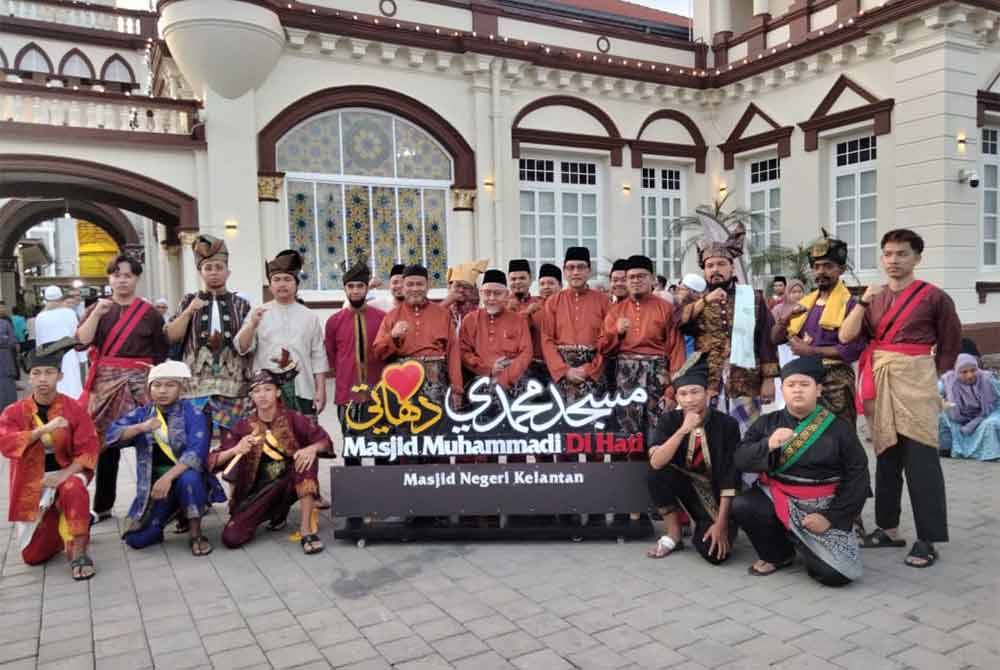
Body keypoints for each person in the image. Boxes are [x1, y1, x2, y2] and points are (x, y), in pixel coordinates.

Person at [839, 228, 961, 568]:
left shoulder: (934, 297)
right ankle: (888, 528)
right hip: (879, 378)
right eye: (888, 254)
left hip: (916, 379)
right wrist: (862, 300)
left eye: (902, 254)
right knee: (886, 454)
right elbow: (847, 336)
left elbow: (951, 343)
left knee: (921, 459)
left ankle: (928, 538)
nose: (894, 261)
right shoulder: (872, 297)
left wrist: (936, 379)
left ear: (917, 258)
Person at [732, 357, 870, 586]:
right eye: (791, 385)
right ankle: (778, 554)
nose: (797, 390)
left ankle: (807, 546)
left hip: (824, 506)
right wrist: (767, 445)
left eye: (804, 385)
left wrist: (831, 518)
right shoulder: (767, 423)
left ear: (818, 390)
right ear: (782, 390)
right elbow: (740, 459)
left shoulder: (839, 428)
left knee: (835, 576)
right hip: (780, 498)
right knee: (744, 504)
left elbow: (858, 476)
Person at [76, 254, 169, 523]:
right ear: (110, 279)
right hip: (105, 385)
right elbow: (81, 342)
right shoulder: (98, 309)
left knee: (151, 440)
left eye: (127, 275)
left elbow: (160, 353)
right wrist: (96, 314)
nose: (122, 280)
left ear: (136, 278)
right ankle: (103, 505)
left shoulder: (150, 313)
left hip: (141, 385)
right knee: (105, 444)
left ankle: (155, 501)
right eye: (117, 275)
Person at [0, 338, 98, 580]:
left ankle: (79, 549)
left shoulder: (74, 409)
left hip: (66, 473)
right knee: (33, 557)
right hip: (32, 484)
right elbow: (6, 443)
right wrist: (43, 430)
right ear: (29, 378)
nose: (43, 379)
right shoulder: (13, 412)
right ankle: (73, 517)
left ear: (60, 376)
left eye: (49, 372)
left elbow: (89, 449)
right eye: (36, 373)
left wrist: (63, 475)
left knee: (73, 487)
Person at [210, 360, 332, 554]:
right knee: (231, 538)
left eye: (267, 389)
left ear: (277, 393)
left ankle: (306, 531)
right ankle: (276, 513)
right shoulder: (243, 426)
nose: (262, 395)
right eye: (257, 391)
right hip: (259, 490)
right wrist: (235, 450)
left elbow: (324, 440)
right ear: (251, 396)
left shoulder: (293, 418)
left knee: (306, 460)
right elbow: (213, 459)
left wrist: (312, 449)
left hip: (291, 480)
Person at [104, 361, 225, 555]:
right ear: (149, 388)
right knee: (137, 540)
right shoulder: (143, 414)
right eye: (157, 385)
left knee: (190, 478)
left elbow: (196, 454)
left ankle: (196, 532)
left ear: (181, 388)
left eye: (170, 385)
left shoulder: (193, 413)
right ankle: (170, 515)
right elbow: (111, 436)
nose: (162, 391)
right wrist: (139, 428)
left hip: (183, 480)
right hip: (155, 488)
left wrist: (167, 478)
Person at [679, 224, 778, 435]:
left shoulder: (752, 297)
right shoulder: (695, 300)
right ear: (704, 270)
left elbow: (766, 339)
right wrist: (705, 301)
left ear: (732, 267)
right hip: (708, 380)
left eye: (721, 264)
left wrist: (769, 379)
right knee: (710, 437)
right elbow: (678, 323)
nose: (715, 269)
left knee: (747, 434)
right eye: (710, 265)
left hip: (745, 379)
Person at [646, 355, 739, 563]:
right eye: (683, 394)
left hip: (715, 497)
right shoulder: (669, 420)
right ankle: (674, 534)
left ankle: (711, 525)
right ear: (677, 397)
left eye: (695, 392)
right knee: (656, 471)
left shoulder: (727, 425)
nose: (689, 399)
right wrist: (683, 430)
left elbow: (730, 475)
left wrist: (721, 523)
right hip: (685, 487)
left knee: (714, 555)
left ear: (707, 393)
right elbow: (656, 463)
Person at [165, 235, 254, 440]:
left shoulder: (241, 304)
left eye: (218, 267)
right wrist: (188, 312)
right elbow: (171, 336)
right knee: (197, 443)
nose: (213, 272)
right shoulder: (188, 300)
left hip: (234, 388)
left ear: (227, 271)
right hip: (194, 388)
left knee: (233, 443)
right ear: (200, 272)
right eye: (208, 268)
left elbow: (249, 345)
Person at [772, 235, 864, 424]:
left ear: (841, 269)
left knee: (839, 436)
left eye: (828, 266)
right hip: (805, 379)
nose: (821, 271)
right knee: (806, 439)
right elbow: (775, 338)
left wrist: (811, 351)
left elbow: (852, 350)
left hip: (836, 381)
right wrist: (786, 318)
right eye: (817, 266)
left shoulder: (851, 306)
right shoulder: (805, 304)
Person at [602, 255, 686, 444]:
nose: (636, 281)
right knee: (627, 433)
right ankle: (629, 473)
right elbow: (603, 347)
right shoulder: (616, 310)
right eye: (631, 277)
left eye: (641, 276)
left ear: (652, 279)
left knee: (659, 431)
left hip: (658, 375)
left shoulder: (666, 308)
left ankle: (657, 472)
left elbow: (676, 349)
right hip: (626, 376)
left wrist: (673, 389)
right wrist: (616, 332)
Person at [236, 250, 328, 418]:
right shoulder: (258, 313)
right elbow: (242, 347)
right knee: (269, 441)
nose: (282, 284)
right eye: (276, 280)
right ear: (270, 286)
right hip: (267, 392)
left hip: (302, 389)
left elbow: (318, 356)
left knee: (303, 438)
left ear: (296, 284)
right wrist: (252, 325)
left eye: (287, 279)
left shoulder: (309, 317)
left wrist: (321, 390)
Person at [373, 264, 463, 410]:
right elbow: (378, 352)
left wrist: (457, 388)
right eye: (410, 284)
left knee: (437, 428)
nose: (415, 288)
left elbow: (453, 352)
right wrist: (392, 336)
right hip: (403, 384)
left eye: (420, 284)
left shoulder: (442, 314)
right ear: (403, 287)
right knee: (405, 428)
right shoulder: (391, 316)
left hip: (436, 384)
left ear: (428, 286)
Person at [541, 246, 610, 404]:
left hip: (593, 371)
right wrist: (564, 370)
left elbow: (607, 341)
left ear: (589, 270)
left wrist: (590, 369)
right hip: (562, 370)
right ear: (564, 271)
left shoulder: (603, 301)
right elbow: (547, 340)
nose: (575, 272)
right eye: (571, 268)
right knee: (562, 423)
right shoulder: (553, 302)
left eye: (581, 267)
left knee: (594, 423)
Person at [324, 261, 385, 431]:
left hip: (379, 395)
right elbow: (331, 356)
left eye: (360, 286)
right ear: (345, 289)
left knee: (382, 450)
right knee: (351, 451)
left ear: (367, 288)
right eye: (350, 286)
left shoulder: (382, 318)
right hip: (347, 394)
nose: (355, 291)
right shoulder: (334, 322)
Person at [458, 269, 533, 398]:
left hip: (513, 383)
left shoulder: (518, 320)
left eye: (497, 294)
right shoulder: (470, 320)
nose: (491, 298)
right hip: (479, 382)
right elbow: (463, 351)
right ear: (481, 293)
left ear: (506, 295)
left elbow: (526, 353)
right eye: (487, 293)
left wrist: (506, 377)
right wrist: (488, 369)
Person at [939, 354, 1000, 461]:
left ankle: (990, 454)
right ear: (957, 372)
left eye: (973, 370)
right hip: (960, 416)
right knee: (942, 418)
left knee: (991, 423)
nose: (970, 375)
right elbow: (934, 395)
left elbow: (995, 402)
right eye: (964, 372)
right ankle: (945, 449)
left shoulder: (987, 379)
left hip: (986, 413)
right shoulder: (948, 380)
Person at [35, 286, 83, 399]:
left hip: (49, 355)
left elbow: (39, 342)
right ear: (60, 297)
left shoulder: (40, 317)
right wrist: (82, 357)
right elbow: (77, 335)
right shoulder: (69, 313)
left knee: (53, 382)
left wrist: (39, 359)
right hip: (69, 354)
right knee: (72, 383)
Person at [768, 279, 806, 410]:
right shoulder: (779, 309)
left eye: (800, 291)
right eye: (793, 292)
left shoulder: (809, 307)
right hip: (785, 351)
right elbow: (772, 331)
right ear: (787, 293)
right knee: (787, 380)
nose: (797, 295)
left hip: (805, 350)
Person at [443, 260, 486, 332]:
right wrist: (447, 302)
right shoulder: (444, 309)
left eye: (466, 287)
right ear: (449, 287)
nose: (461, 290)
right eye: (458, 286)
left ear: (472, 290)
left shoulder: (478, 314)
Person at [0, 309, 16, 411]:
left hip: (5, 362)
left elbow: (12, 340)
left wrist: (4, 339)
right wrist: (3, 338)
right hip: (5, 357)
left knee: (7, 388)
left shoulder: (5, 323)